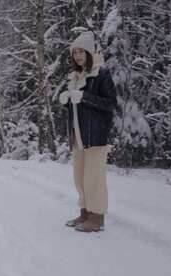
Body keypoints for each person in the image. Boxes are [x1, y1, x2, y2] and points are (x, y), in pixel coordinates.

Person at [59, 31, 117, 233]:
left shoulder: (101, 74)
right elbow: (78, 107)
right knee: (80, 177)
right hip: (79, 136)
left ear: (89, 52)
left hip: (96, 136)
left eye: (81, 52)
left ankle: (97, 216)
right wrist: (67, 100)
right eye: (74, 53)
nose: (77, 56)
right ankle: (85, 212)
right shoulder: (75, 76)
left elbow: (110, 104)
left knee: (94, 179)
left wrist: (83, 96)